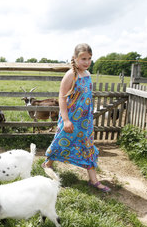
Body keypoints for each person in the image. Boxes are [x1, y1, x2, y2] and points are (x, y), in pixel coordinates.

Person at [42, 43, 111, 192]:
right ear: (75, 58)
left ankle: (93, 180)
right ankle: (47, 165)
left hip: (85, 121)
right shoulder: (70, 75)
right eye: (83, 58)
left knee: (88, 146)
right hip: (71, 118)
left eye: (89, 58)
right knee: (61, 141)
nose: (86, 62)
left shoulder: (88, 74)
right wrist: (66, 120)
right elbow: (61, 97)